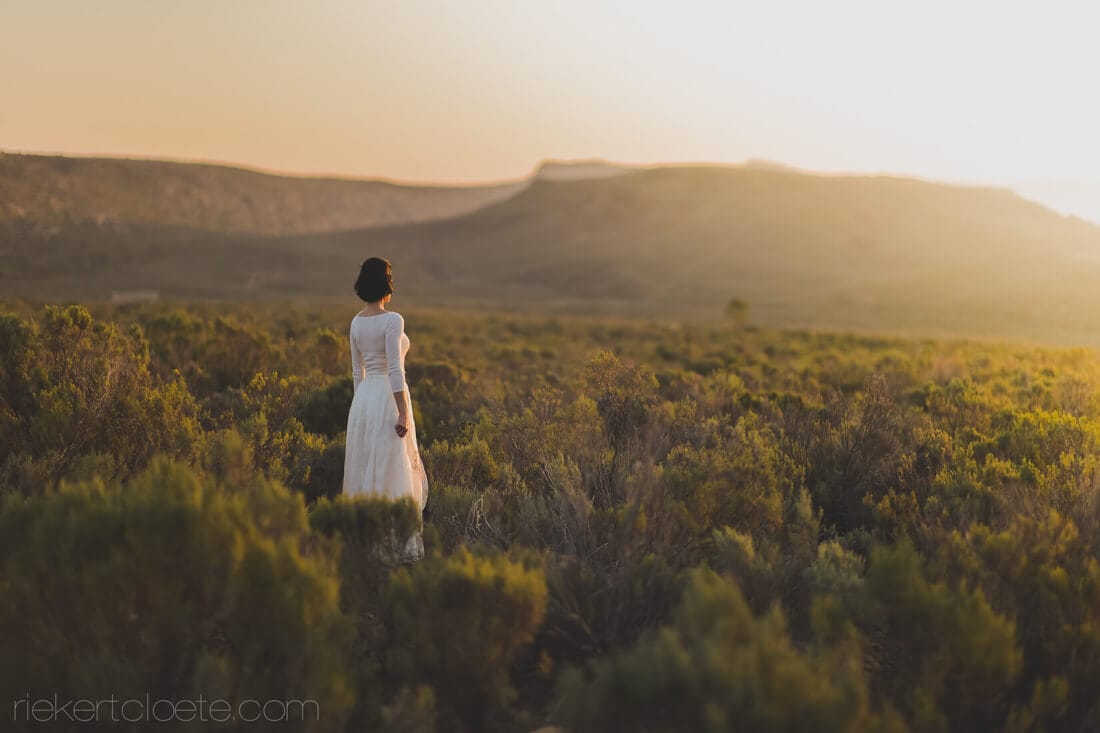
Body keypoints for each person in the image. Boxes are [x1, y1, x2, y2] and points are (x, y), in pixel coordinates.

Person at [342, 257, 428, 561]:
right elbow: (395, 369)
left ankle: (367, 544)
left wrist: (359, 411)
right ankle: (394, 547)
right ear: (387, 285)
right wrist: (403, 411)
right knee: (393, 467)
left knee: (368, 465)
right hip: (387, 398)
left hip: (364, 400)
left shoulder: (355, 322)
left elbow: (357, 372)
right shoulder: (393, 320)